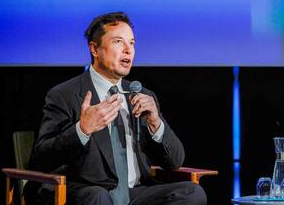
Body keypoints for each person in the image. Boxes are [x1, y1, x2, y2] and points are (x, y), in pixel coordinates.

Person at [27, 12, 207, 205]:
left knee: (193, 193)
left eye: (132, 43)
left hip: (135, 194)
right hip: (86, 192)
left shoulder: (141, 95)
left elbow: (175, 161)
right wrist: (82, 130)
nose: (128, 50)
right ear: (94, 49)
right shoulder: (65, 94)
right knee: (98, 196)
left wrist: (155, 122)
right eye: (118, 42)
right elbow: (41, 160)